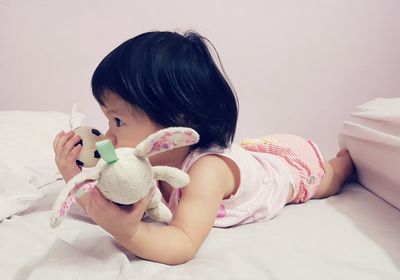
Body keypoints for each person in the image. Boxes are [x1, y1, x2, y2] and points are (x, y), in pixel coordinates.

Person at [53, 30, 354, 265]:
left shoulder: (207, 171)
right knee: (249, 155)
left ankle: (344, 163)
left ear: (178, 121)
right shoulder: (147, 164)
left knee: (327, 180)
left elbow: (182, 242)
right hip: (252, 154)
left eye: (117, 121)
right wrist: (73, 177)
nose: (109, 137)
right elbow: (111, 206)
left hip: (290, 164)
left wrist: (129, 232)